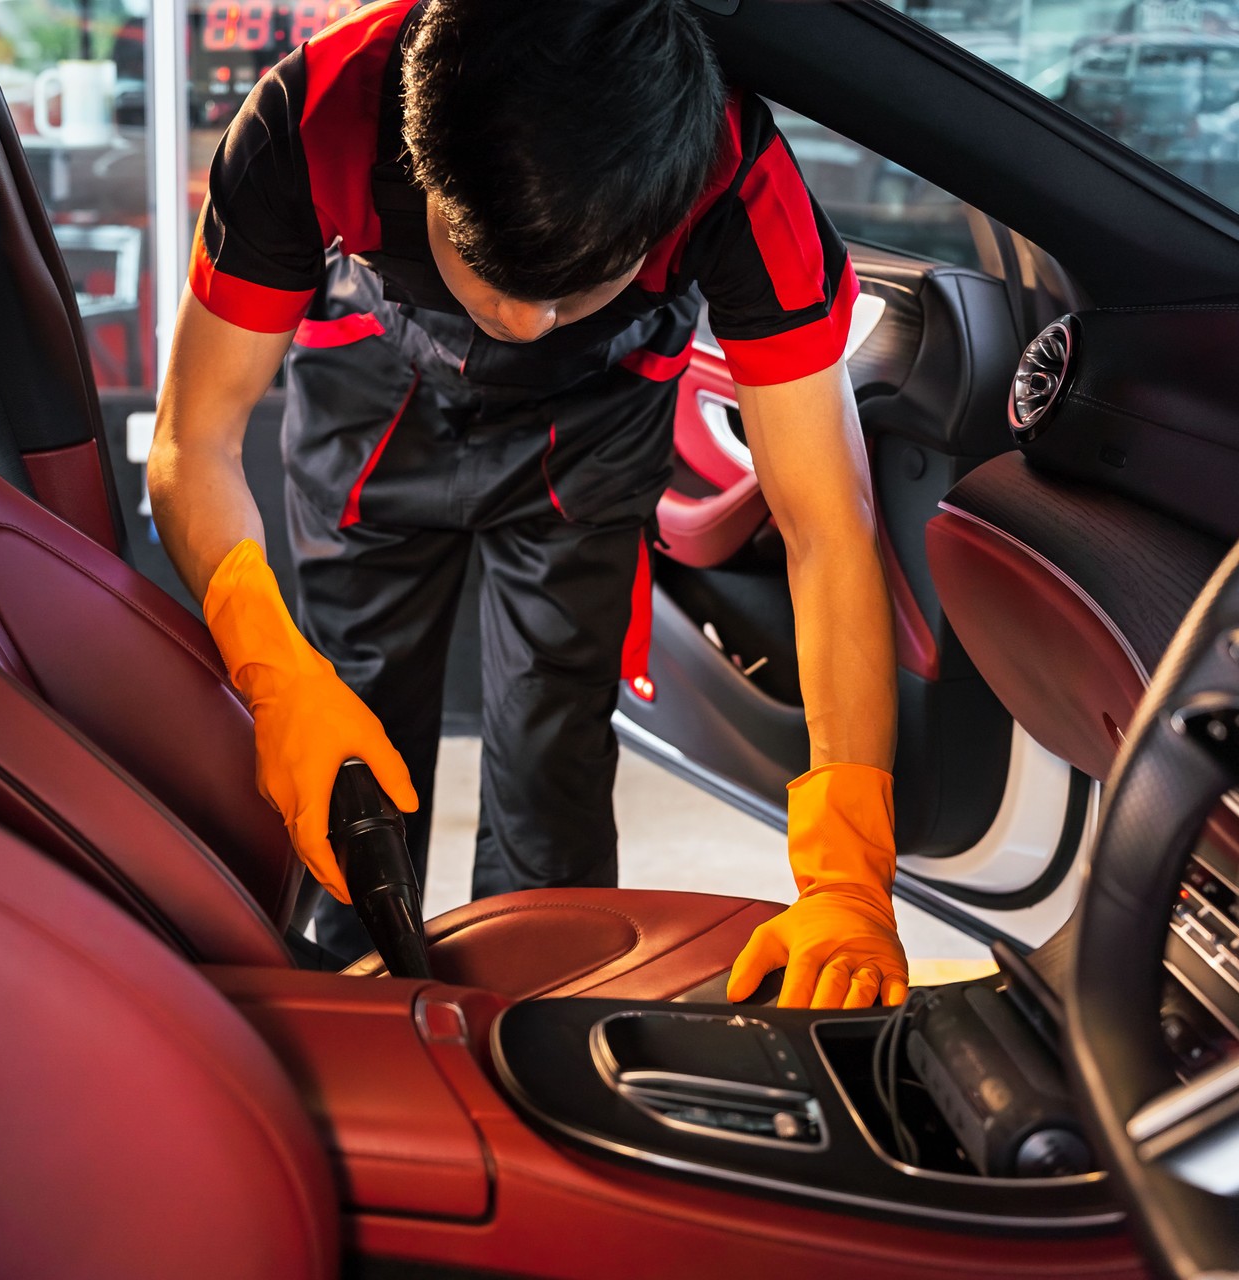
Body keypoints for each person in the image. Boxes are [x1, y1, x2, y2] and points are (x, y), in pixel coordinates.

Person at [149, 0, 908, 1010]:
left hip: (591, 428)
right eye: (492, 274)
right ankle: (360, 1007)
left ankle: (541, 1024)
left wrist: (849, 875)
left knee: (553, 759)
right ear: (421, 162)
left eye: (569, 290)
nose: (520, 322)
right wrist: (272, 669)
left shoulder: (732, 170)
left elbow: (827, 522)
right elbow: (189, 440)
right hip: (379, 403)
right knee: (349, 757)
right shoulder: (318, 107)